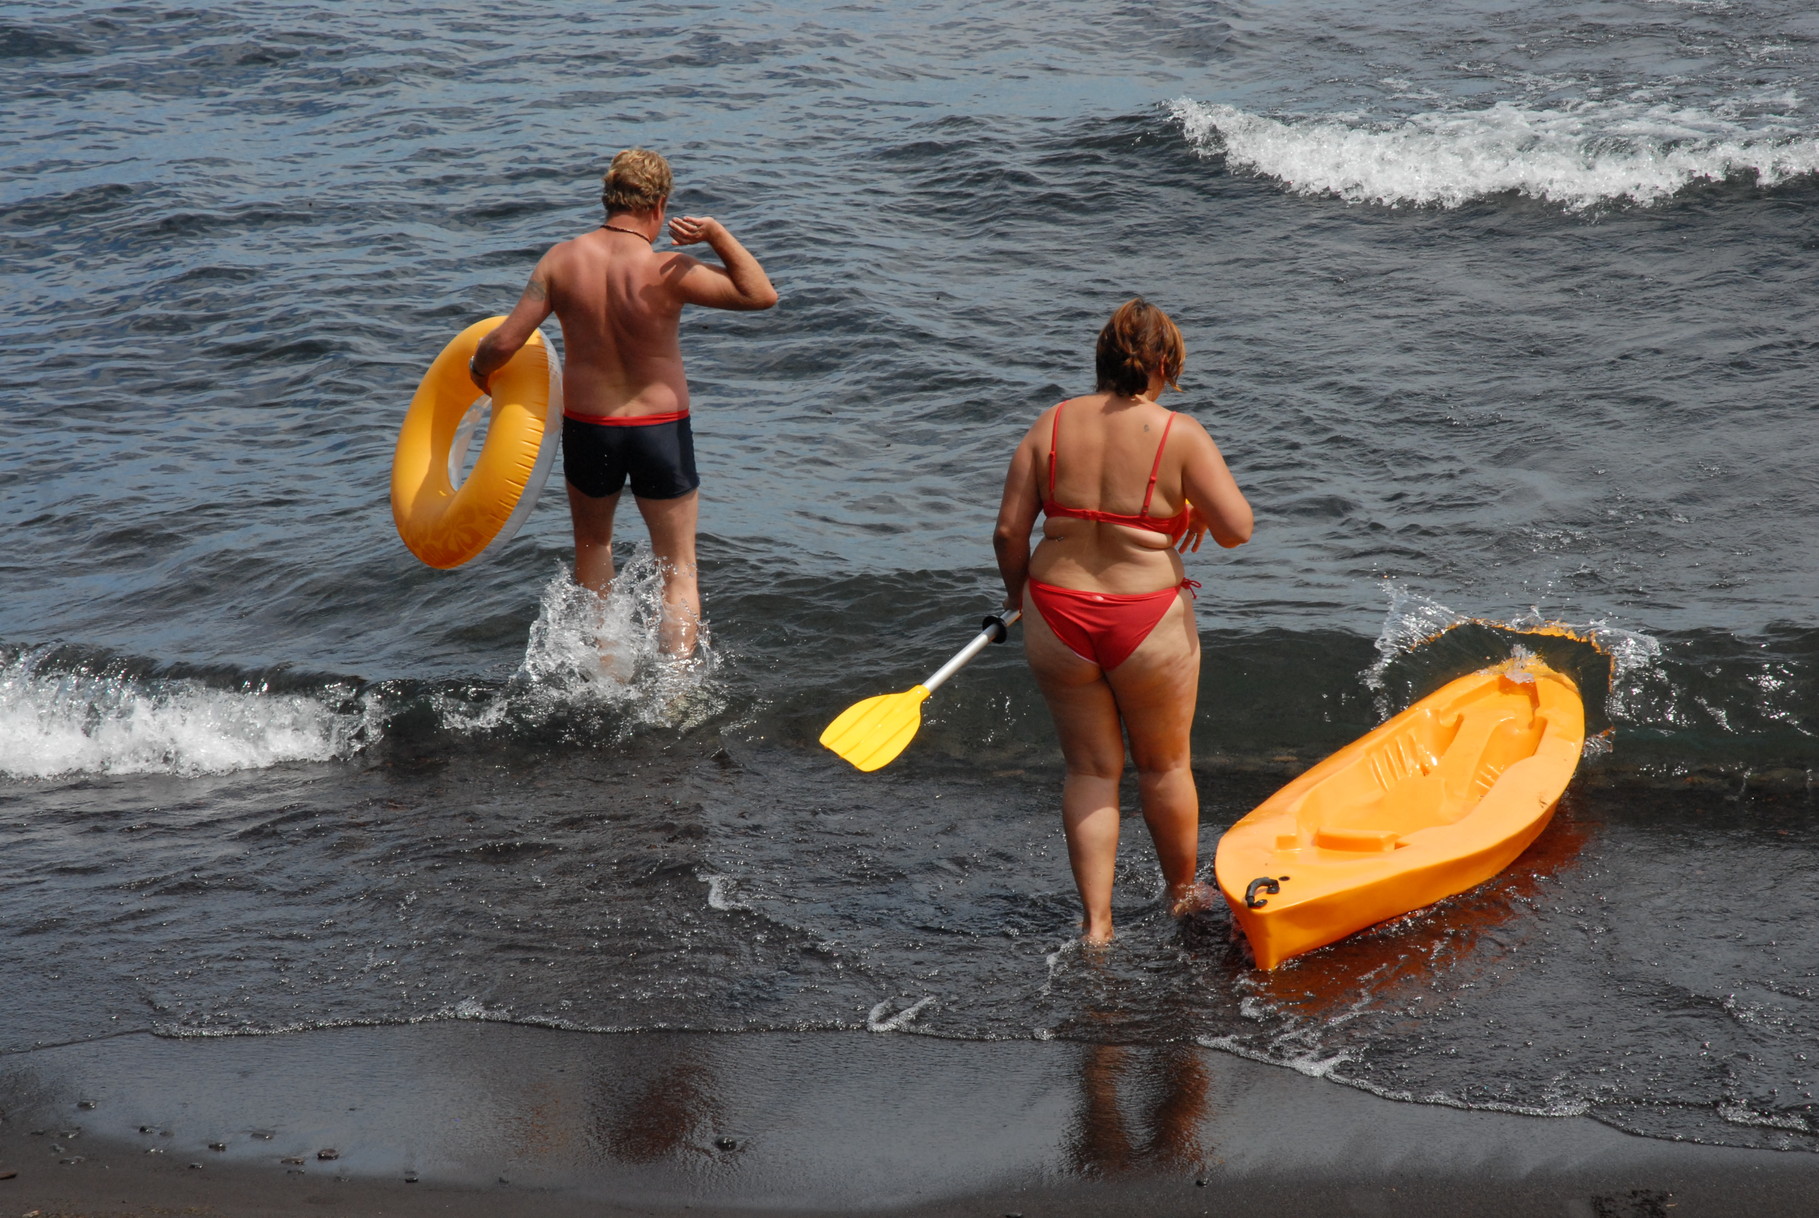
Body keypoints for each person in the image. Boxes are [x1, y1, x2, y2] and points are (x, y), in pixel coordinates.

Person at [993, 298, 1253, 945]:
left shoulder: (1049, 424)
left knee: (1089, 771)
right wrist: (1188, 505)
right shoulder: (1178, 433)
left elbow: (1007, 532)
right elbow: (1236, 529)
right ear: (1165, 363)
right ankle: (1181, 897)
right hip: (1146, 618)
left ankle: (1097, 926)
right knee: (1163, 768)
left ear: (1102, 359)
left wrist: (1018, 593)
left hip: (1055, 609)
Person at [469, 148, 778, 658]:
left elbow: (502, 343)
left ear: (608, 199)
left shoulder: (561, 261)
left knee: (594, 549)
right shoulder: (668, 269)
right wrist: (717, 234)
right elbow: (761, 294)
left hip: (591, 428)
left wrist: (478, 372)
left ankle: (607, 676)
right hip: (661, 429)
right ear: (658, 206)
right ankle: (675, 689)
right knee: (677, 565)